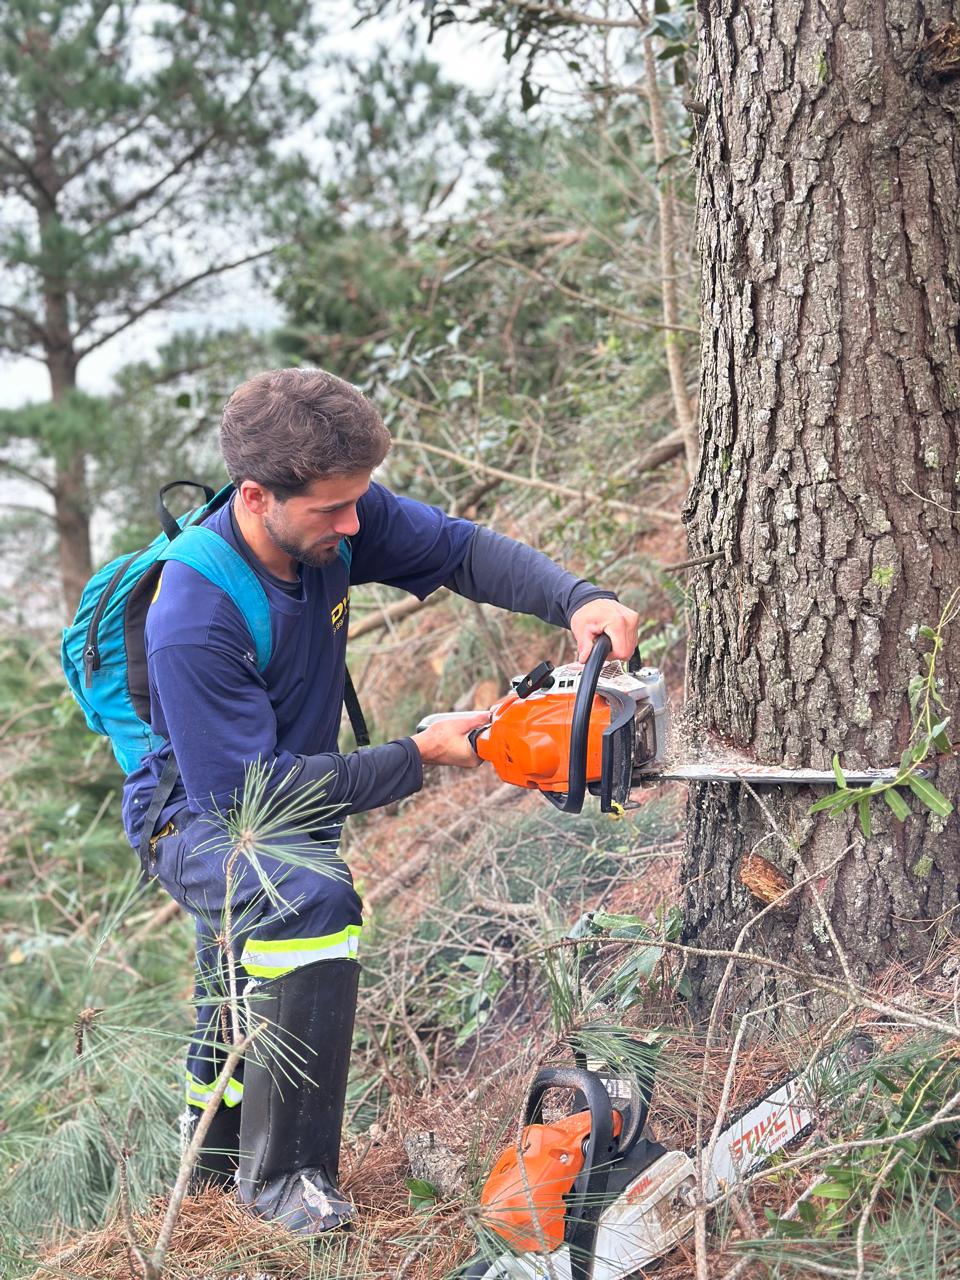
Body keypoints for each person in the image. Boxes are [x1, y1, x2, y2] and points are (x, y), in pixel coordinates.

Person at [121, 368, 640, 1236]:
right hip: (201, 816)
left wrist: (577, 598)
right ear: (256, 496)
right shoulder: (193, 613)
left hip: (278, 789)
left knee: (244, 971)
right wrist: (420, 757)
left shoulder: (336, 520)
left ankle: (208, 1159)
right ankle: (288, 1185)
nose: (355, 523)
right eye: (333, 508)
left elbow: (461, 550)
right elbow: (251, 798)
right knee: (310, 904)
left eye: (360, 501)